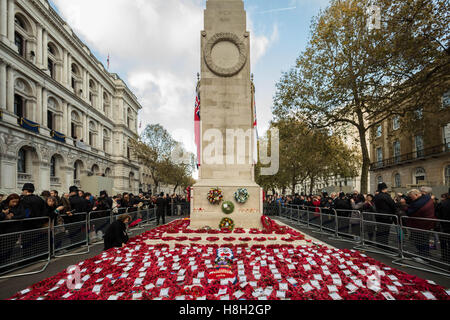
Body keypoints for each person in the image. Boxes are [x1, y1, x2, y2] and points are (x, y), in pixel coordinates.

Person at [405, 189, 436, 257]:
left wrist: (404, 206)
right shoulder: (427, 198)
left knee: (420, 241)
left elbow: (409, 212)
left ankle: (424, 256)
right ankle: (424, 254)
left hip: (420, 225)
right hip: (427, 224)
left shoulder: (417, 203)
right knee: (424, 240)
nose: (411, 198)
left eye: (411, 196)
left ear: (416, 195)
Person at [373, 183, 396, 249]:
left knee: (380, 230)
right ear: (384, 189)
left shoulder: (376, 196)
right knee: (385, 231)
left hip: (378, 216)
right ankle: (384, 245)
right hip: (386, 216)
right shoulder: (386, 196)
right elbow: (392, 205)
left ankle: (379, 244)